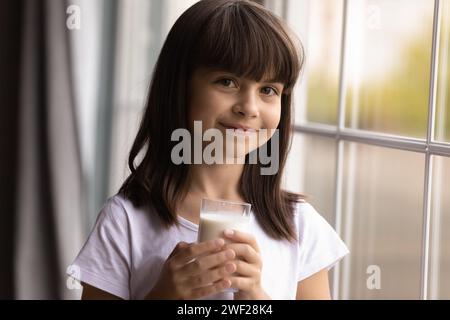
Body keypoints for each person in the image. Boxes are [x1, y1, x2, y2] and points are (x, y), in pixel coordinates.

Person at [69, 0, 349, 300]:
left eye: (268, 90)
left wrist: (254, 296)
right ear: (180, 88)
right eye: (227, 82)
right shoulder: (126, 222)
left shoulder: (299, 226)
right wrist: (163, 295)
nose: (249, 108)